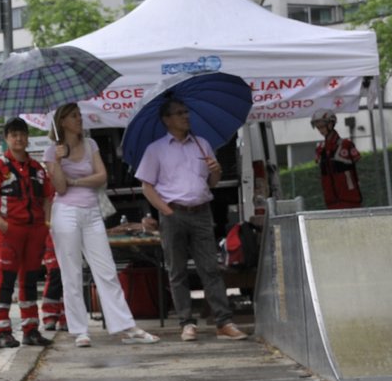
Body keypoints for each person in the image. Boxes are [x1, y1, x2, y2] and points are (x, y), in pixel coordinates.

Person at [42, 103, 160, 347]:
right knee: (71, 272)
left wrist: (76, 179)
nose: (79, 119)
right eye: (74, 116)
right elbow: (61, 188)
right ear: (62, 121)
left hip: (92, 212)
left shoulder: (91, 144)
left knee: (106, 270)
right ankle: (79, 330)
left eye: (79, 115)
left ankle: (126, 326)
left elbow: (102, 177)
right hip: (66, 213)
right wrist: (58, 161)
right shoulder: (51, 151)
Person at [133, 97, 248, 343]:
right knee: (177, 271)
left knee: (211, 268)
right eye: (179, 113)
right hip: (174, 213)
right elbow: (147, 187)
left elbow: (210, 184)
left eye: (186, 112)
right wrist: (167, 211)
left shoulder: (202, 143)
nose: (186, 116)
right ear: (166, 119)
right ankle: (187, 323)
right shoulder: (156, 149)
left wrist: (216, 172)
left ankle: (223, 322)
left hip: (201, 211)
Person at [0, 117, 55, 349]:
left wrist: (46, 223)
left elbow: (48, 197)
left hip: (35, 232)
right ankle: (2, 332)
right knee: (6, 281)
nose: (19, 138)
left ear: (27, 137)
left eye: (22, 134)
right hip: (10, 232)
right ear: (7, 139)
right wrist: (2, 225)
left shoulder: (37, 169)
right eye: (13, 134)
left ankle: (30, 329)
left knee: (30, 280)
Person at [312, 109, 364, 209]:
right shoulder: (320, 149)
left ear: (331, 124)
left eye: (322, 126)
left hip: (350, 199)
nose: (320, 130)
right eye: (318, 127)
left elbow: (358, 169)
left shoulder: (346, 144)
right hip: (330, 201)